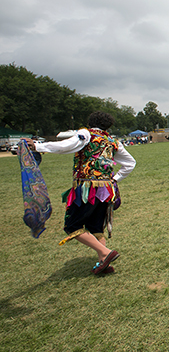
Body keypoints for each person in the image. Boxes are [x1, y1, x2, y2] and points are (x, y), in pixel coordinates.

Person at [26, 111, 135, 275]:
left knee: (73, 225)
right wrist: (114, 180)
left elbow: (66, 146)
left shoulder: (86, 134)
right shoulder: (113, 142)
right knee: (96, 226)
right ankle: (102, 262)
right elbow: (130, 163)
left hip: (87, 188)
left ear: (91, 122)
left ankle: (106, 253)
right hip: (106, 189)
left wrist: (38, 146)